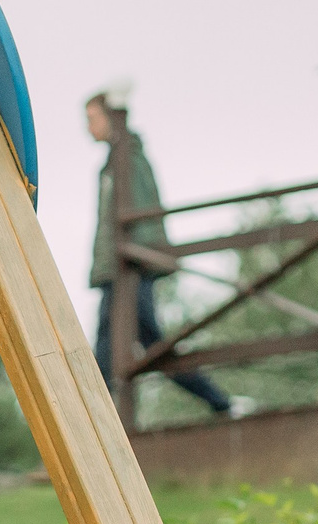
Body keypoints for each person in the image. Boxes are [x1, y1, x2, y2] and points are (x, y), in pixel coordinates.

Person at [86, 91, 235, 415]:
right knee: (131, 345)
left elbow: (142, 216)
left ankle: (98, 413)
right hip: (120, 269)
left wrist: (136, 260)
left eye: (92, 118)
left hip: (128, 269)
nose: (88, 127)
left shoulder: (128, 160)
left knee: (135, 345)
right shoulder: (115, 162)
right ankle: (218, 401)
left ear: (110, 117)